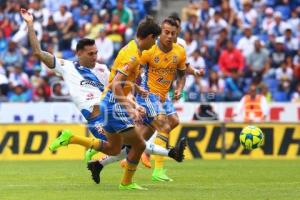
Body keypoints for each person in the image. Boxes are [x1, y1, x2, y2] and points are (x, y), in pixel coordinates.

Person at [20, 8, 171, 190]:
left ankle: (91, 150)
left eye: (96, 52)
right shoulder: (66, 66)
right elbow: (37, 52)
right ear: (79, 54)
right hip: (96, 117)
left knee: (127, 144)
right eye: (90, 54)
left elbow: (120, 86)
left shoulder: (102, 69)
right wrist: (29, 24)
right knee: (131, 145)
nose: (95, 57)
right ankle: (168, 154)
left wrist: (133, 102)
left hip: (112, 110)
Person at [135, 18, 187, 182]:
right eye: (166, 32)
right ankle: (158, 170)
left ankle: (139, 152)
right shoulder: (149, 50)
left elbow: (182, 74)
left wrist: (179, 88)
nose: (170, 36)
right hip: (148, 94)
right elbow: (135, 73)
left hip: (164, 96)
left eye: (173, 33)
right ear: (160, 33)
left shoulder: (179, 51)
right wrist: (133, 95)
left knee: (173, 122)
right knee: (164, 125)